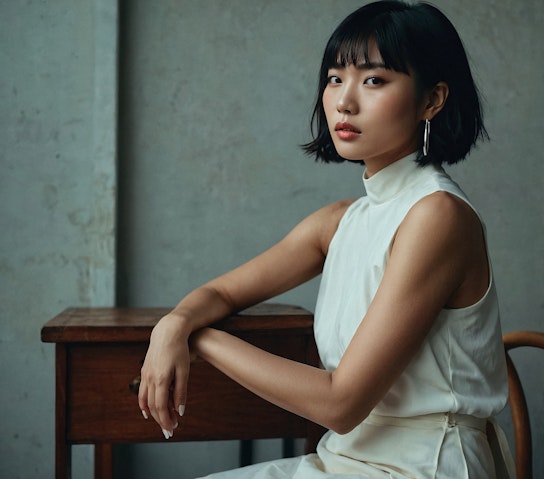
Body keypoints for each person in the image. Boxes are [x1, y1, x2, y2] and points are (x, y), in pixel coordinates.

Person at [138, 2, 513, 478]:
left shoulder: (437, 216)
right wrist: (174, 324)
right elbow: (222, 292)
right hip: (344, 459)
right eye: (336, 78)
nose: (344, 101)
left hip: (424, 465)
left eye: (374, 80)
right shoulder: (341, 221)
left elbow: (341, 403)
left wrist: (201, 339)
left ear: (432, 100)